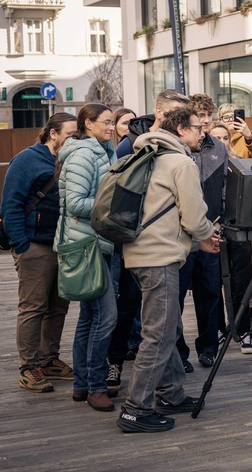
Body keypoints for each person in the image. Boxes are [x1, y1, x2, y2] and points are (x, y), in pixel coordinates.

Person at [117, 107, 220, 434]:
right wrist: (206, 235)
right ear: (180, 129)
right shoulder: (181, 163)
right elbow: (192, 216)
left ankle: (171, 393)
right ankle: (135, 409)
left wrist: (194, 241)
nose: (202, 133)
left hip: (139, 253)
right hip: (159, 258)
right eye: (197, 127)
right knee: (158, 334)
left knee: (166, 326)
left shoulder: (148, 155)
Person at [106, 90, 190, 394]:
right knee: (130, 309)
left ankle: (170, 390)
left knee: (168, 323)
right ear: (160, 113)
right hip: (142, 246)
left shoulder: (178, 149)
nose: (183, 122)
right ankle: (116, 367)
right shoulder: (132, 144)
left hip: (168, 245)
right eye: (177, 115)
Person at [2, 112, 77, 393]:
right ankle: (28, 367)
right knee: (33, 307)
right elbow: (11, 204)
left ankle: (49, 360)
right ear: (53, 133)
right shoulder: (27, 160)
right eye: (70, 134)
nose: (74, 139)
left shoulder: (73, 158)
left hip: (63, 245)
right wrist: (22, 245)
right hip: (35, 245)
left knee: (58, 307)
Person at [56, 103, 118, 412]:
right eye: (105, 122)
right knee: (106, 316)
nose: (111, 127)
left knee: (89, 317)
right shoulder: (83, 154)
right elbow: (76, 203)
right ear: (88, 124)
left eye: (112, 122)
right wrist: (114, 202)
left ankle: (81, 385)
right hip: (86, 245)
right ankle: (95, 386)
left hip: (97, 242)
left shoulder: (105, 151)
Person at [174, 93, 228, 371]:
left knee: (209, 293)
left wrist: (218, 223)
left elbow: (225, 188)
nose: (206, 121)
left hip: (211, 232)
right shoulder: (177, 148)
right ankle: (179, 354)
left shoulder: (219, 147)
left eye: (209, 115)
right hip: (181, 237)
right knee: (177, 296)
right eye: (201, 116)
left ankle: (208, 347)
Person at [214, 107, 252, 354]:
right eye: (224, 118)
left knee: (243, 278)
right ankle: (217, 330)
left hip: (240, 227)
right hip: (213, 227)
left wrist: (247, 134)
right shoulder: (201, 160)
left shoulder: (240, 155)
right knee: (214, 280)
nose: (223, 140)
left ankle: (245, 327)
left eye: (226, 136)